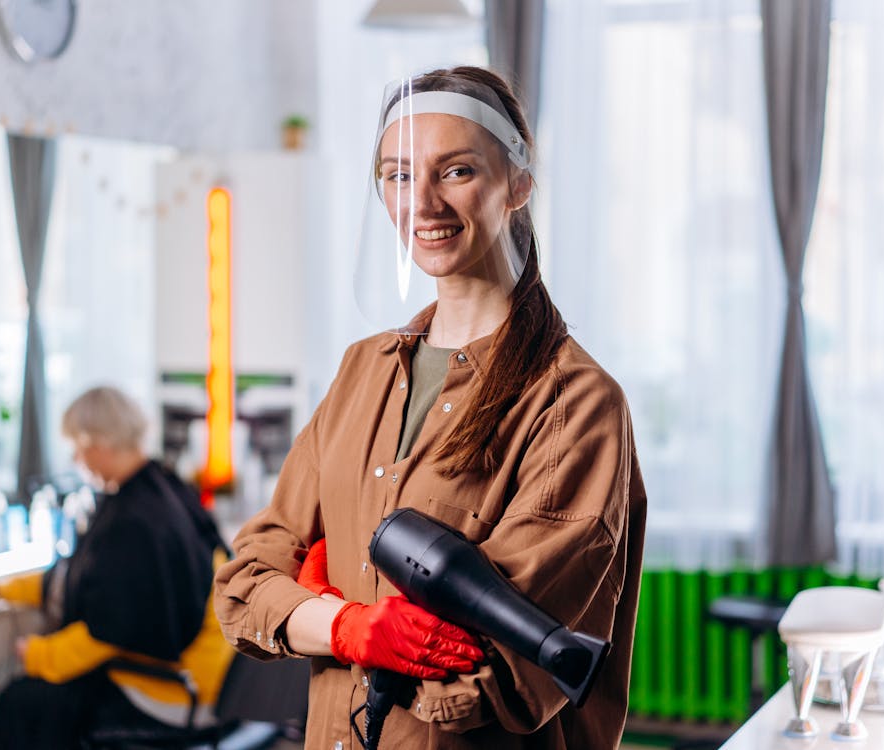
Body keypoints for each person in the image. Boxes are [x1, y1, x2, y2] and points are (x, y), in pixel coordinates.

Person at [214, 66, 647, 749]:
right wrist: (347, 625)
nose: (423, 204)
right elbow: (241, 587)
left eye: (456, 171)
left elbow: (503, 672)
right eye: (398, 175)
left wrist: (312, 605)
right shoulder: (363, 371)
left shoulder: (574, 405)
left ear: (518, 185)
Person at [0, 385, 233, 750]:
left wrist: (38, 655)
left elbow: (110, 629)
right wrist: (2, 587)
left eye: (78, 448)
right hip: (211, 681)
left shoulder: (133, 520)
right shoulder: (166, 489)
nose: (78, 460)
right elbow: (96, 580)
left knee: (22, 702)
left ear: (98, 443)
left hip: (172, 693)